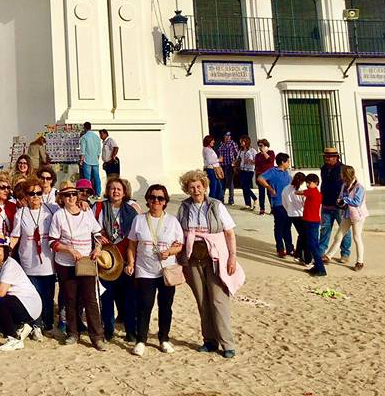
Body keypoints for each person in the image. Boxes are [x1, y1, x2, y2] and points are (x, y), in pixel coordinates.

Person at [176, 170, 243, 358]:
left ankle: (227, 343)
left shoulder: (216, 205)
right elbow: (179, 231)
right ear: (187, 189)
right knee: (202, 300)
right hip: (193, 258)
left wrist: (232, 256)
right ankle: (209, 340)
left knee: (218, 300)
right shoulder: (184, 207)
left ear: (205, 187)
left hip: (215, 257)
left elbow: (229, 233)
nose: (196, 190)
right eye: (191, 187)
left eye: (198, 186)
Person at [125, 183, 184, 356]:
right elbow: (132, 244)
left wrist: (169, 252)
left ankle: (164, 338)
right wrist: (131, 263)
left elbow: (179, 245)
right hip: (145, 270)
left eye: (160, 198)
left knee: (165, 305)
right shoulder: (139, 220)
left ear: (165, 201)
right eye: (152, 197)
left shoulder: (172, 221)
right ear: (147, 200)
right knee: (144, 305)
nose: (156, 201)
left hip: (166, 270)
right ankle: (141, 340)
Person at [48, 180, 105, 349]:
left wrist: (98, 248)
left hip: (86, 261)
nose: (71, 197)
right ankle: (73, 333)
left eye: (74, 194)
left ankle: (97, 336)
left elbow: (97, 233)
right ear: (62, 198)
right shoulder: (59, 215)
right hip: (66, 263)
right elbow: (52, 241)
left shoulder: (86, 212)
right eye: (67, 195)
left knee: (90, 299)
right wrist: (69, 250)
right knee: (70, 299)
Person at [9, 177, 57, 338]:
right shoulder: (20, 213)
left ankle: (48, 324)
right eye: (31, 193)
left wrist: (83, 203)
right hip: (29, 262)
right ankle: (36, 325)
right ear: (26, 195)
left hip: (48, 261)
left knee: (48, 296)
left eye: (38, 193)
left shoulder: (51, 210)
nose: (35, 196)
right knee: (34, 295)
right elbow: (15, 236)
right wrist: (7, 251)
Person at [95, 176, 141, 342]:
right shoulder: (99, 207)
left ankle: (130, 331)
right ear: (108, 191)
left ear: (124, 192)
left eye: (119, 189)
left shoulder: (132, 210)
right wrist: (98, 236)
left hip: (126, 258)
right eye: (112, 188)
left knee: (129, 298)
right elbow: (92, 227)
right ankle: (108, 329)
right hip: (107, 259)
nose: (115, 191)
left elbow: (137, 234)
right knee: (106, 297)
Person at [0, 233, 44, 352]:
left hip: (29, 304)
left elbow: (0, 293)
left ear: (5, 251)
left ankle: (13, 339)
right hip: (15, 300)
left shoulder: (10, 264)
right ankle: (21, 327)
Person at [324, 165, 367, 271]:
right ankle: (328, 256)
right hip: (347, 214)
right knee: (339, 235)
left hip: (357, 215)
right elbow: (341, 197)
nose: (340, 175)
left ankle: (360, 262)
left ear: (346, 174)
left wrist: (345, 200)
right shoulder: (344, 185)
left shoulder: (359, 187)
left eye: (342, 173)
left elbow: (357, 202)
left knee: (357, 237)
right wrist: (340, 201)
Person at [257, 152, 294, 257]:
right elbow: (260, 178)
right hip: (278, 203)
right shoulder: (273, 171)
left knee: (287, 227)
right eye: (288, 162)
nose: (289, 164)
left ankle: (290, 248)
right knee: (279, 226)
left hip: (288, 204)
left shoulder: (287, 173)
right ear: (282, 162)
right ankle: (280, 248)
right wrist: (269, 188)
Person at [318, 148, 351, 264]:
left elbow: (348, 185)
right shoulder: (323, 168)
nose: (327, 159)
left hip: (339, 205)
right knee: (325, 229)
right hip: (326, 203)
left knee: (344, 230)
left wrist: (344, 199)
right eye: (325, 157)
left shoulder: (343, 169)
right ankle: (321, 252)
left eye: (329, 157)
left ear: (336, 157)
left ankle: (345, 253)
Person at [299, 174, 325, 276]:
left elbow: (300, 192)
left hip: (312, 222)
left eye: (309, 183)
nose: (307, 185)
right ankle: (317, 266)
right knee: (312, 244)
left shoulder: (313, 192)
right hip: (310, 221)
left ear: (316, 183)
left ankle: (320, 268)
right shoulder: (313, 192)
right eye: (307, 183)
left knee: (313, 245)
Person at [283, 172, 309, 265]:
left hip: (292, 214)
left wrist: (289, 210)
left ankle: (299, 254)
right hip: (301, 214)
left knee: (302, 234)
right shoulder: (302, 190)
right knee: (304, 235)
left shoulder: (286, 189)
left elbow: (284, 203)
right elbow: (305, 203)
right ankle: (300, 255)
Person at [79, 122, 103, 196]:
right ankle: (98, 193)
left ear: (84, 128)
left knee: (87, 179)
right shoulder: (97, 137)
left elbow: (83, 151)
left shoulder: (84, 137)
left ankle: (88, 194)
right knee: (97, 177)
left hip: (87, 160)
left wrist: (81, 160)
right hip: (95, 160)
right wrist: (96, 158)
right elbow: (99, 151)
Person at [254, 139, 276, 215]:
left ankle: (272, 208)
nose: (260, 147)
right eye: (259, 146)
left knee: (270, 192)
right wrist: (256, 177)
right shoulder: (257, 155)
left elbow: (270, 160)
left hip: (269, 176)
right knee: (261, 193)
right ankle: (262, 208)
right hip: (260, 176)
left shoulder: (271, 153)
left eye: (261, 145)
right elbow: (256, 167)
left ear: (266, 145)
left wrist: (264, 152)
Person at [217, 132, 239, 205]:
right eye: (226, 135)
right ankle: (221, 198)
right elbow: (219, 155)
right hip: (222, 165)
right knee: (222, 182)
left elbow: (237, 155)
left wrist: (234, 163)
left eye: (229, 135)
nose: (228, 137)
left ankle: (231, 199)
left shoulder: (233, 144)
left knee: (230, 182)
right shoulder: (221, 144)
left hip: (230, 165)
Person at [237, 135, 258, 210]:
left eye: (242, 141)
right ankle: (247, 204)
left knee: (246, 186)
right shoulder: (240, 151)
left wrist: (250, 161)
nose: (241, 142)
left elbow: (257, 161)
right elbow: (238, 159)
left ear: (246, 142)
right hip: (242, 170)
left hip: (249, 170)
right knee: (244, 187)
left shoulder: (253, 151)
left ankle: (255, 198)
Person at [202, 135, 223, 202]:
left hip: (213, 169)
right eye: (212, 140)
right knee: (214, 187)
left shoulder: (210, 149)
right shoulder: (207, 150)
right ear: (209, 141)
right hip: (210, 170)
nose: (213, 141)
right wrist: (219, 160)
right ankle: (211, 202)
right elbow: (209, 161)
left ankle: (217, 201)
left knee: (218, 187)